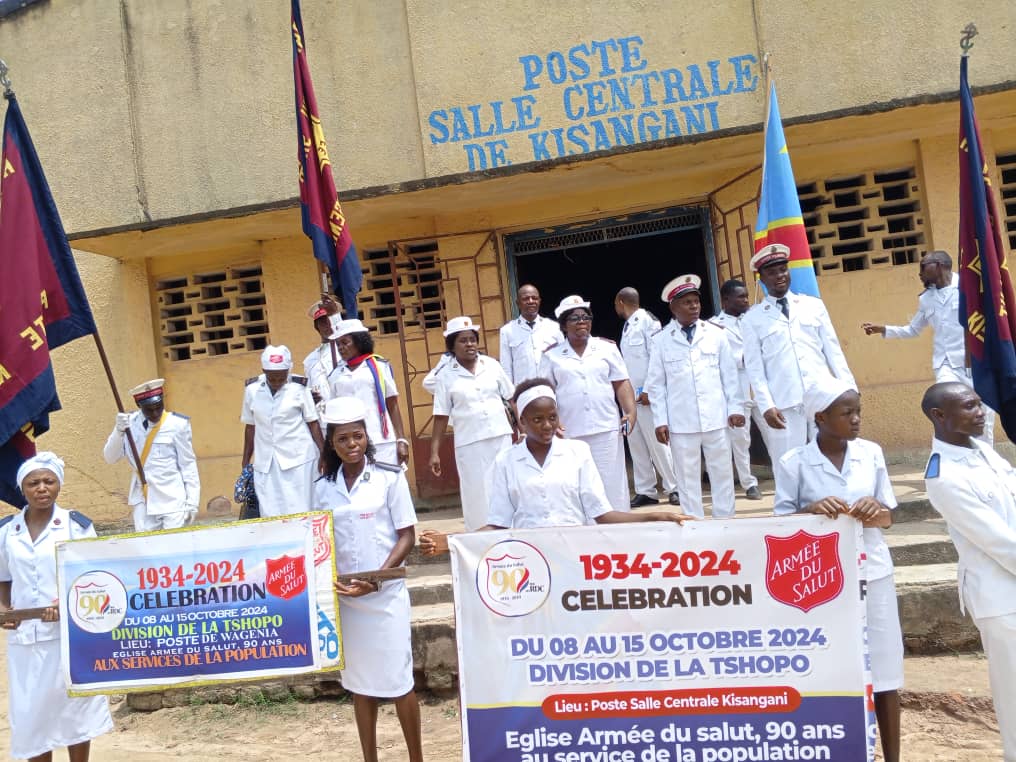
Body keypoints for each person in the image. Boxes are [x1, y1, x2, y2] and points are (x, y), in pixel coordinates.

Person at [773, 380, 901, 762]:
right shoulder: (793, 462)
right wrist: (811, 511)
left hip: (873, 571)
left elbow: (888, 517)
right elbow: (780, 524)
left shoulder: (872, 454)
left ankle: (893, 756)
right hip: (819, 580)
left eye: (858, 411)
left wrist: (871, 510)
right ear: (820, 418)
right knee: (827, 665)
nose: (857, 419)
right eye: (847, 413)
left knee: (885, 669)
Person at [419, 380, 688, 550]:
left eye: (552, 417)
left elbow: (602, 514)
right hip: (531, 557)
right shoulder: (507, 461)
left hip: (576, 553)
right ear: (521, 422)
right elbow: (498, 524)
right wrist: (452, 542)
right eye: (537, 420)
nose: (547, 426)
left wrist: (656, 516)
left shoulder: (577, 452)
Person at [313, 397, 421, 762]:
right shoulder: (323, 488)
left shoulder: (389, 478)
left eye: (357, 437)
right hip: (348, 598)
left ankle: (416, 758)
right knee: (360, 685)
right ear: (332, 443)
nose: (351, 445)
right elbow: (320, 540)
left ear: (366, 437)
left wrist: (376, 579)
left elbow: (407, 535)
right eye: (342, 439)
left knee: (399, 681)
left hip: (386, 595)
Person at [921, 381, 1016, 761]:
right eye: (969, 406)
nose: (981, 411)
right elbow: (998, 542)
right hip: (1001, 599)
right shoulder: (943, 476)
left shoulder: (983, 452)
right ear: (939, 416)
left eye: (979, 403)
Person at [0, 452, 113, 761]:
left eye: (49, 481)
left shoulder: (76, 526)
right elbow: (3, 577)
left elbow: (96, 576)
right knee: (32, 714)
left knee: (75, 710)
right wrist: (5, 609)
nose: (42, 488)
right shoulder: (7, 532)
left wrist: (66, 603)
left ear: (59, 485)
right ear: (22, 488)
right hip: (26, 639)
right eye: (33, 483)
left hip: (69, 635)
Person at [862, 250, 994, 445]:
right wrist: (884, 329)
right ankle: (950, 451)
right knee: (946, 405)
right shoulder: (926, 299)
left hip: (975, 362)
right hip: (945, 364)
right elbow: (913, 330)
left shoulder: (969, 288)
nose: (920, 273)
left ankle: (985, 458)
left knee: (982, 413)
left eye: (923, 267)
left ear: (939, 265)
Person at [742, 243, 856, 466]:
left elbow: (833, 351)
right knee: (787, 465)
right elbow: (755, 369)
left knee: (831, 460)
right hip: (783, 403)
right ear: (761, 279)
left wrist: (849, 389)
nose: (779, 276)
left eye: (783, 270)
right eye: (772, 272)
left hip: (822, 398)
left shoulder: (813, 306)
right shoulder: (752, 318)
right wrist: (766, 406)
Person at [646, 275, 745, 519]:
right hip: (681, 422)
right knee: (687, 477)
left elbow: (729, 376)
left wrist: (736, 408)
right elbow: (657, 385)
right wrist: (660, 420)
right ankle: (693, 523)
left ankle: (726, 521)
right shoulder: (661, 341)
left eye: (696, 302)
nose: (693, 306)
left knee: (721, 472)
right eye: (687, 302)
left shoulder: (716, 334)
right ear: (673, 307)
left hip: (716, 417)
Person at [538, 294, 637, 512]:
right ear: (564, 325)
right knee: (576, 487)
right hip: (570, 432)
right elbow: (546, 394)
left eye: (585, 316)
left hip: (606, 428)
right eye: (574, 318)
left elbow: (621, 383)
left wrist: (630, 412)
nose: (581, 321)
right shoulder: (552, 356)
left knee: (612, 485)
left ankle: (618, 533)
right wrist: (551, 421)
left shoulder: (607, 349)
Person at [428, 316, 515, 531]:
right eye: (463, 340)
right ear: (452, 346)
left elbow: (511, 399)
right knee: (476, 493)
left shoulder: (492, 365)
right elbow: (440, 415)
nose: (469, 344)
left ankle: (512, 534)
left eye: (472, 339)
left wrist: (522, 431)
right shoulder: (446, 375)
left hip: (500, 436)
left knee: (504, 486)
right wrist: (434, 452)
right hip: (470, 442)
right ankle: (479, 539)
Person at [102, 378, 201, 531]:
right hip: (143, 499)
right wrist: (118, 431)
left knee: (174, 548)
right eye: (149, 409)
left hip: (172, 500)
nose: (155, 413)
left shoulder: (177, 424)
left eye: (158, 407)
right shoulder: (129, 424)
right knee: (147, 549)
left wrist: (192, 503)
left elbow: (188, 464)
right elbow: (110, 457)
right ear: (139, 406)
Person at [614, 287, 680, 507]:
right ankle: (646, 490)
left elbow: (656, 357)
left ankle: (674, 487)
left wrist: (650, 390)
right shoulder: (628, 326)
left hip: (646, 397)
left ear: (620, 301)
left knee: (658, 444)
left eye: (615, 304)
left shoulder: (647, 321)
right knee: (637, 445)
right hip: (631, 400)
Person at [240, 345, 324, 516]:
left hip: (300, 461)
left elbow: (313, 423)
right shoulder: (252, 390)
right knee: (271, 512)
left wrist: (324, 453)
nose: (277, 382)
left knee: (302, 509)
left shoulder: (299, 388)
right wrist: (245, 460)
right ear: (264, 371)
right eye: (272, 378)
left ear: (288, 370)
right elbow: (250, 427)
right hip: (266, 462)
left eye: (281, 378)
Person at [327, 319, 410, 466]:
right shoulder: (336, 374)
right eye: (338, 344)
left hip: (381, 440)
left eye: (345, 342)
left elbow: (392, 405)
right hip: (351, 445)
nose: (340, 348)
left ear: (359, 341)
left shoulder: (379, 366)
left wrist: (401, 440)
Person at [708, 279, 763, 500]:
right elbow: (720, 359)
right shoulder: (714, 325)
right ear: (726, 300)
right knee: (741, 438)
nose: (746, 300)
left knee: (776, 433)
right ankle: (749, 482)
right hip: (737, 386)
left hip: (759, 384)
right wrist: (747, 358)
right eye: (741, 297)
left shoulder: (755, 319)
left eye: (747, 296)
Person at [498, 284, 564, 385]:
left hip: (551, 389)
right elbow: (506, 367)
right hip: (523, 392)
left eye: (534, 298)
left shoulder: (554, 327)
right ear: (518, 303)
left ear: (539, 301)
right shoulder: (507, 331)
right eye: (525, 299)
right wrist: (512, 397)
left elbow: (563, 360)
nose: (531, 301)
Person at [302, 295, 344, 405]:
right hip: (323, 415)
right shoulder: (310, 360)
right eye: (323, 322)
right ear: (317, 327)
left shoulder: (346, 349)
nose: (328, 326)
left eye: (329, 320)